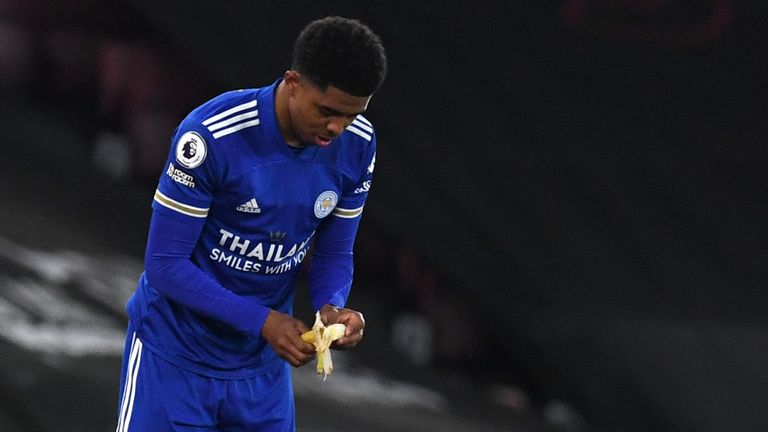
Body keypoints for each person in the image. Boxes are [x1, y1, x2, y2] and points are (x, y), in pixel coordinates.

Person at [115, 16, 387, 431]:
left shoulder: (358, 143)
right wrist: (262, 321)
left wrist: (330, 307)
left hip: (260, 373)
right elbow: (165, 264)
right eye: (328, 111)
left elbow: (334, 251)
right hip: (174, 359)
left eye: (352, 115)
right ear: (293, 82)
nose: (337, 127)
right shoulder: (211, 136)